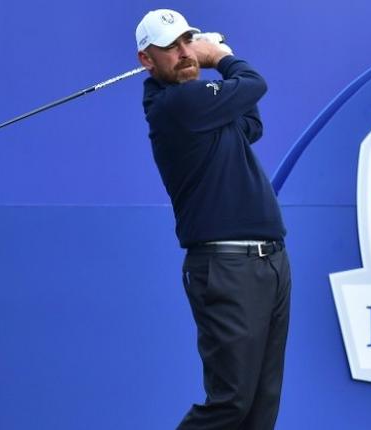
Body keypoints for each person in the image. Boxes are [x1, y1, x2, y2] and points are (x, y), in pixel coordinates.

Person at [135, 9, 291, 429]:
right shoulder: (177, 105)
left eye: (189, 41)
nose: (186, 53)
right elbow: (254, 83)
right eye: (172, 47)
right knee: (231, 402)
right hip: (226, 268)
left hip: (270, 263)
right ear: (147, 60)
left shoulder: (204, 106)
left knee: (261, 405)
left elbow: (250, 123)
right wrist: (219, 55)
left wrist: (220, 60)